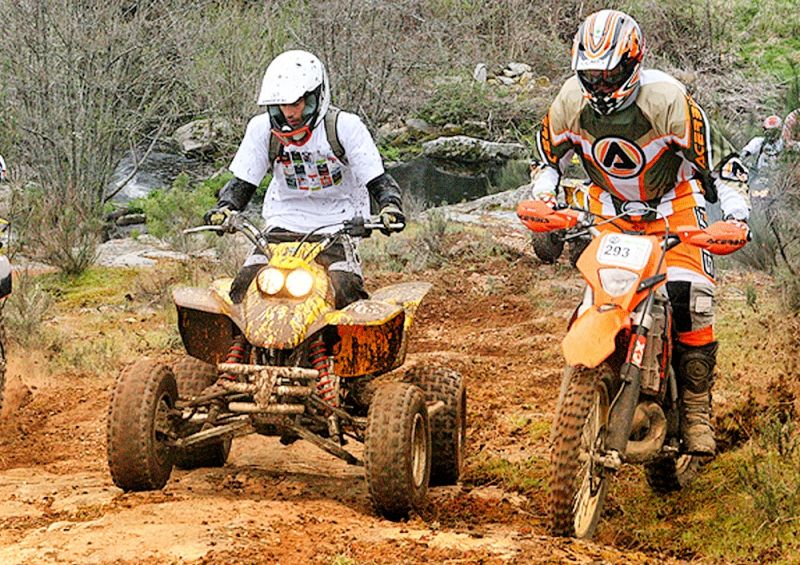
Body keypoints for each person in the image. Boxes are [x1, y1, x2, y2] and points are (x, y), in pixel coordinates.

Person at [531, 9, 750, 455]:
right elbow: (548, 161)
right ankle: (592, 382)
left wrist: (736, 216)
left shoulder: (668, 100)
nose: (602, 85)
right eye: (592, 75)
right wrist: (543, 200)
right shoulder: (570, 101)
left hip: (674, 204)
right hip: (608, 207)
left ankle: (695, 408)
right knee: (600, 293)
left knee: (691, 297)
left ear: (634, 63)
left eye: (611, 74)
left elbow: (724, 164)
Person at [204, 49, 405, 310]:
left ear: (315, 97)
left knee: (346, 290)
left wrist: (390, 207)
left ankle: (344, 350)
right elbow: (243, 182)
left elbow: (377, 179)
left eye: (296, 103)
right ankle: (239, 350)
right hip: (282, 222)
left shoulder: (345, 127)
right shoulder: (262, 129)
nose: (289, 113)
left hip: (338, 224)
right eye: (282, 105)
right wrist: (225, 208)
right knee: (244, 288)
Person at [741, 115, 783, 198]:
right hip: (757, 174)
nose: (770, 134)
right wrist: (743, 156)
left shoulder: (784, 144)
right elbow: (745, 153)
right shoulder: (758, 142)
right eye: (767, 131)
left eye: (773, 131)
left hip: (777, 177)